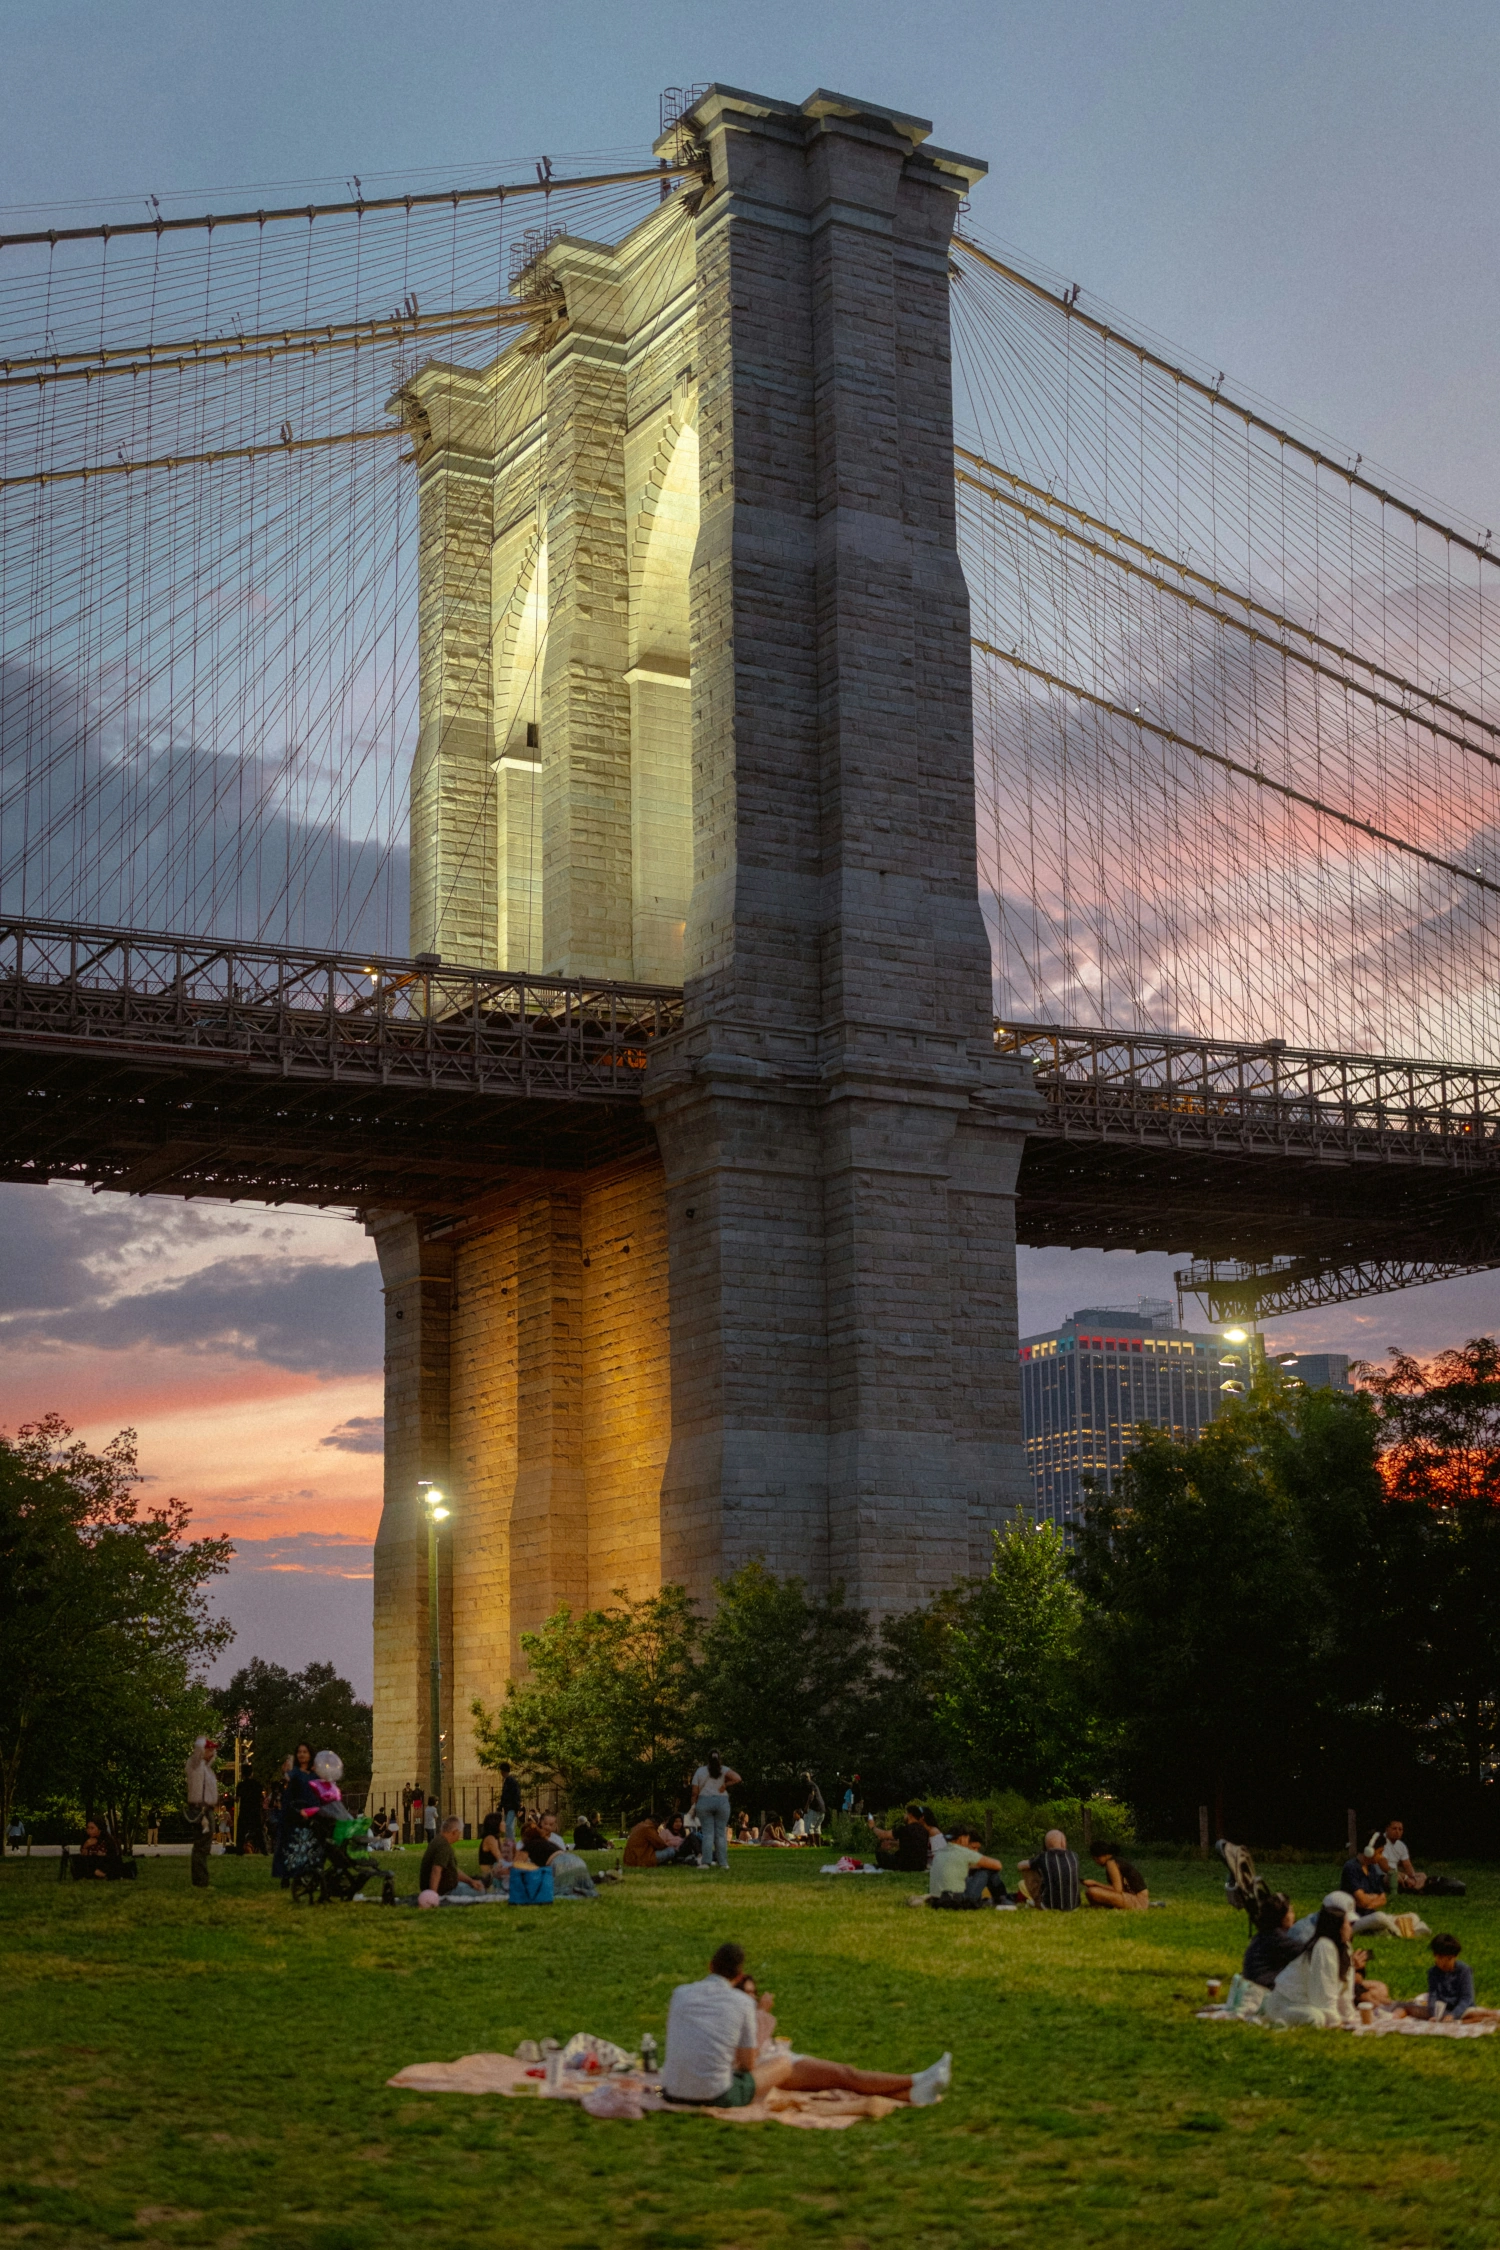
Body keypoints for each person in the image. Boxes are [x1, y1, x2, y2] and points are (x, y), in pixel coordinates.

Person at [660, 1941, 951, 2111]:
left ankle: (914, 2089)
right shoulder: (740, 2004)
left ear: (710, 1966)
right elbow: (748, 2065)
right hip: (716, 2095)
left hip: (673, 2089)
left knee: (841, 2076)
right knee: (791, 2065)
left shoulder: (680, 1993)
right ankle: (916, 2079)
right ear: (738, 1976)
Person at [1260, 1894, 1358, 2028]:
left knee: (1323, 2016)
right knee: (1316, 2019)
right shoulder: (1323, 1947)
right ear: (1337, 1926)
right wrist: (1336, 2021)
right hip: (1288, 2003)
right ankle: (1276, 2018)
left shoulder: (1345, 1948)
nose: (1350, 1928)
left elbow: (1345, 1990)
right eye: (1347, 1924)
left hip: (1309, 2004)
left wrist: (1349, 2017)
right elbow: (1322, 1995)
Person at [1395, 1935, 1495, 2022]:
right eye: (1440, 1958)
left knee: (1475, 2014)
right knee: (1408, 2008)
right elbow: (1433, 1996)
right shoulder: (1433, 1972)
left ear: (1454, 1957)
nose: (1444, 1963)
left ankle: (1491, 2017)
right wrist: (1434, 2014)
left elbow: (1467, 1998)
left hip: (1462, 2009)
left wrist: (1453, 2015)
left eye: (1449, 1959)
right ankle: (1392, 2019)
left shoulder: (1464, 1970)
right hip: (1442, 2010)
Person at [929, 1822, 1008, 1906]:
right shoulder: (963, 1852)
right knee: (988, 1870)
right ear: (962, 1838)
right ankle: (1002, 1899)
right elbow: (998, 1865)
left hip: (937, 1900)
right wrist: (979, 1865)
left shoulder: (940, 1853)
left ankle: (999, 1899)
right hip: (959, 1900)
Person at [273, 1742, 318, 1881]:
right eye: (299, 1752)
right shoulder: (295, 1773)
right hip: (295, 1812)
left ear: (310, 1754)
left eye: (305, 1752)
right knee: (291, 1844)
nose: (302, 1755)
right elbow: (289, 1780)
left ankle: (306, 1873)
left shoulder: (315, 1774)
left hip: (311, 1812)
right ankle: (287, 1875)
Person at [690, 1753, 740, 1872]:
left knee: (708, 1834)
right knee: (720, 1834)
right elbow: (737, 1778)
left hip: (704, 1801)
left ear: (707, 1759)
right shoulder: (724, 1770)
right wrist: (725, 1785)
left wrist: (693, 1806)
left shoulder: (700, 1771)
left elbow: (695, 1792)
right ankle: (723, 1863)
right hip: (722, 1801)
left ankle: (706, 1862)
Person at [1339, 1841, 1401, 1935]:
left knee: (1413, 1917)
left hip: (1370, 1916)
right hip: (1354, 1921)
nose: (1381, 1856)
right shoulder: (1351, 1867)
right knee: (1380, 1917)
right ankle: (1398, 1933)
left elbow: (1383, 1899)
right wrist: (1373, 1898)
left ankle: (1385, 1931)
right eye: (1380, 1852)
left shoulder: (1371, 1868)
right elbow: (1362, 1901)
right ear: (1369, 1851)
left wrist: (1367, 1901)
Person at [1242, 1894, 1303, 1989]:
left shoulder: (1265, 1933)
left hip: (1254, 1984)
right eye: (1290, 1912)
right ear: (1282, 1917)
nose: (1293, 1916)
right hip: (1262, 1989)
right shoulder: (1277, 1937)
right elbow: (1306, 1952)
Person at [420, 1815, 487, 1899]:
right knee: (481, 1891)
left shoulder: (437, 1841)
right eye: (459, 1833)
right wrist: (433, 1895)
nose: (458, 1838)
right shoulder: (443, 1846)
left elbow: (453, 1869)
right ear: (454, 1832)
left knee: (474, 1884)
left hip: (441, 1887)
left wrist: (470, 1881)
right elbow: (436, 1870)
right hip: (445, 1891)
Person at [1016, 1829, 1081, 1910]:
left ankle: (1036, 1900)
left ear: (1046, 1844)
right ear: (1064, 1843)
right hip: (1074, 1906)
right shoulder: (1074, 1856)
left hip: (1049, 1906)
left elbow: (1020, 1866)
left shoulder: (1043, 1857)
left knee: (1027, 1869)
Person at [185, 1735, 219, 1890]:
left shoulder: (206, 1768)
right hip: (200, 1810)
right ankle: (200, 1881)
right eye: (209, 1750)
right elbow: (198, 1751)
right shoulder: (194, 1764)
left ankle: (200, 1880)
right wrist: (202, 1743)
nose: (212, 1753)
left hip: (206, 1809)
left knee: (204, 1846)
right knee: (201, 1846)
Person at [1083, 1840, 1149, 1912]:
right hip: (1132, 1896)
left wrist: (1095, 1883)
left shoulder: (1111, 1863)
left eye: (1095, 1859)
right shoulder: (1115, 1860)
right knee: (1091, 1892)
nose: (1096, 1862)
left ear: (1102, 1856)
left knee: (1092, 1891)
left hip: (1138, 1900)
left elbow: (1117, 1890)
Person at [874, 1806, 931, 1874]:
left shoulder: (904, 1829)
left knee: (880, 1853)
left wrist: (873, 1827)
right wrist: (892, 1843)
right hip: (920, 1865)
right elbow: (911, 1844)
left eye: (906, 1813)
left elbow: (883, 1835)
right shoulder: (924, 1831)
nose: (904, 1815)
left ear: (910, 1815)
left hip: (905, 1865)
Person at [498, 1763, 522, 1844]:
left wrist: (517, 1808)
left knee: (508, 1825)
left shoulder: (510, 1782)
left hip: (511, 1807)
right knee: (508, 1826)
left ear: (503, 1771)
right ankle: (509, 1841)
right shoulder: (508, 1781)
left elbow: (514, 1795)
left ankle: (511, 1842)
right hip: (508, 1807)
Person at [800, 1773, 826, 1840]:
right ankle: (818, 1844)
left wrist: (806, 1806)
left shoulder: (809, 1785)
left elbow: (811, 1795)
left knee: (809, 1827)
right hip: (821, 1808)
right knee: (817, 1828)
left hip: (814, 1808)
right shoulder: (813, 1784)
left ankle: (812, 1843)